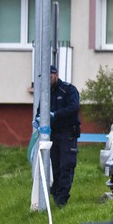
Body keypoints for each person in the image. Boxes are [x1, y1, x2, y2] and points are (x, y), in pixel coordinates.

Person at [45, 65, 81, 207]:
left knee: (66, 165)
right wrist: (37, 118)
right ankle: (56, 194)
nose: (48, 80)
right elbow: (41, 110)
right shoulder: (46, 93)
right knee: (55, 166)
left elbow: (74, 107)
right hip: (53, 133)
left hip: (67, 133)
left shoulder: (68, 89)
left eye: (50, 76)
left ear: (56, 75)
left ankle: (62, 198)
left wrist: (56, 115)